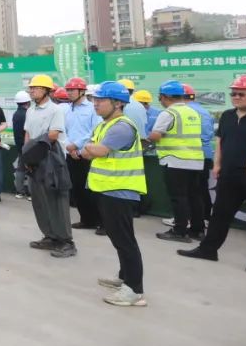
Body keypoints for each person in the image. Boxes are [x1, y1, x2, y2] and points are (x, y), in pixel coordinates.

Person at [178, 75, 246, 273]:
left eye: (241, 94)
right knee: (219, 214)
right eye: (233, 93)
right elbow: (220, 142)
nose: (236, 97)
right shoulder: (227, 116)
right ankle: (208, 250)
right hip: (229, 174)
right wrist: (217, 164)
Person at [81, 81, 148, 306]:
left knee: (125, 241)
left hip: (120, 191)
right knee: (118, 238)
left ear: (118, 103)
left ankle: (134, 290)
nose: (95, 104)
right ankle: (124, 277)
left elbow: (97, 150)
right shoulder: (105, 125)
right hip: (106, 189)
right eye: (94, 100)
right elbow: (88, 152)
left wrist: (91, 147)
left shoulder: (121, 127)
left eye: (100, 100)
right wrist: (91, 148)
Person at [23, 74, 75, 258]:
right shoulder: (30, 110)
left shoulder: (55, 110)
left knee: (56, 201)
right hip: (35, 158)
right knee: (39, 200)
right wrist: (27, 155)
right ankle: (50, 236)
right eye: (30, 88)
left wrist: (33, 152)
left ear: (46, 91)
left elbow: (53, 135)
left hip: (52, 159)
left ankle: (66, 241)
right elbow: (27, 133)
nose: (31, 91)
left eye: (35, 88)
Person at [149, 80, 205, 243]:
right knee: (194, 196)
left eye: (160, 97)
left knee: (178, 197)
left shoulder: (168, 113)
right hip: (195, 160)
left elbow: (156, 135)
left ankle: (180, 231)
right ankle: (197, 230)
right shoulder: (193, 112)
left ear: (165, 97)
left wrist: (147, 137)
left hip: (175, 160)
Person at [63, 76, 103, 233]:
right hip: (71, 154)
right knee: (77, 189)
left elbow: (94, 131)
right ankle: (86, 219)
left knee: (92, 189)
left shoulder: (92, 109)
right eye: (68, 90)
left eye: (72, 90)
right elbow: (64, 130)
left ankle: (101, 222)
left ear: (82, 91)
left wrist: (77, 146)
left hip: (87, 154)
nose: (69, 93)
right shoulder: (67, 109)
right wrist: (69, 147)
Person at [182, 83, 216, 222]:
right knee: (201, 188)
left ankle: (187, 219)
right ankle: (205, 218)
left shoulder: (184, 111)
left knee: (188, 190)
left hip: (189, 155)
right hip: (205, 154)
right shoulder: (204, 111)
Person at [11, 90, 32, 200]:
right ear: (28, 102)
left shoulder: (16, 114)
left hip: (19, 146)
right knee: (31, 169)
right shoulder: (28, 114)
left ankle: (19, 191)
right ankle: (31, 193)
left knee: (20, 168)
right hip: (28, 145)